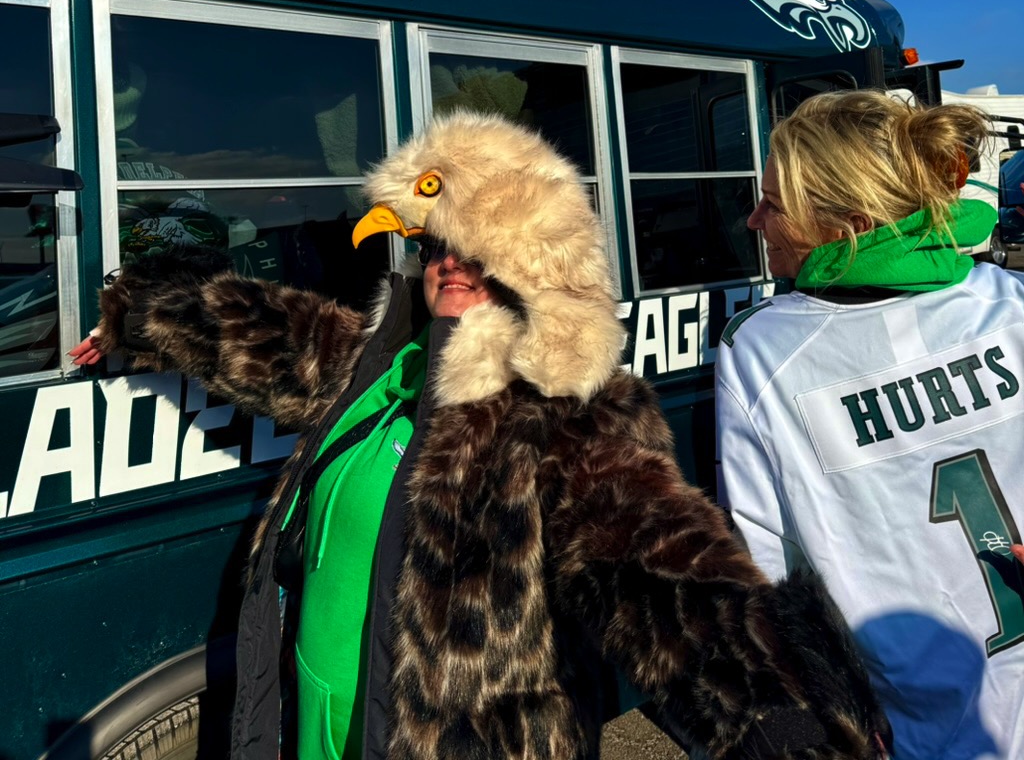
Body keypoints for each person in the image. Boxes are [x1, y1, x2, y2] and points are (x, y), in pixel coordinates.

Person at [72, 110, 891, 760]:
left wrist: (792, 728)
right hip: (327, 733)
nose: (452, 265)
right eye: (436, 246)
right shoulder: (378, 363)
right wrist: (132, 316)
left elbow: (663, 573)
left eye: (481, 251)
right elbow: (257, 333)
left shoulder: (567, 414)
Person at [715, 90, 1024, 760]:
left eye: (774, 204)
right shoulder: (1010, 304)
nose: (754, 220)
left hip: (917, 728)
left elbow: (763, 568)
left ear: (847, 225)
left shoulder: (761, 349)